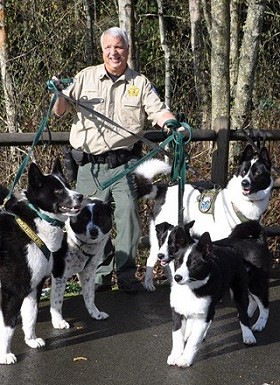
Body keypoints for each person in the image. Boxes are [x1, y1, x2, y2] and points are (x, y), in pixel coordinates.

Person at [52, 26, 180, 293]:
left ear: (127, 51)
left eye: (119, 47)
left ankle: (125, 273)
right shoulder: (84, 78)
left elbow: (158, 111)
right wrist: (58, 93)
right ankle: (98, 275)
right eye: (109, 47)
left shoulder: (140, 83)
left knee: (128, 218)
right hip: (89, 166)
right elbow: (60, 112)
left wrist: (173, 125)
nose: (114, 52)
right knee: (88, 221)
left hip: (124, 165)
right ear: (102, 51)